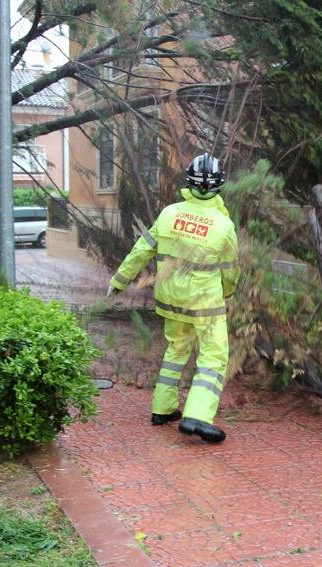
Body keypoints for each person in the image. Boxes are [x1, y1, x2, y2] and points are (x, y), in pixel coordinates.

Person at [107, 153, 239, 443]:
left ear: (189, 181)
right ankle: (198, 416)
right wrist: (227, 292)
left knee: (177, 348)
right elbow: (230, 271)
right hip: (204, 303)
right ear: (219, 185)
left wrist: (119, 280)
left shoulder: (169, 214)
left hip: (171, 299)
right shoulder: (223, 225)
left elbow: (142, 249)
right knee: (213, 355)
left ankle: (163, 409)